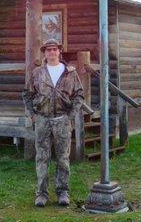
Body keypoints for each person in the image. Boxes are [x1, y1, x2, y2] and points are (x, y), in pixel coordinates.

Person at [22, 38, 84, 207]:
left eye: (54, 49)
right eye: (48, 50)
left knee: (63, 158)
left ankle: (63, 191)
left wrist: (71, 115)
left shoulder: (69, 72)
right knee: (42, 157)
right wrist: (32, 115)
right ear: (45, 53)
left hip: (62, 121)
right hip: (42, 120)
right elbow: (27, 95)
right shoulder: (37, 73)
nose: (51, 52)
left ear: (59, 51)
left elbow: (79, 95)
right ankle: (41, 194)